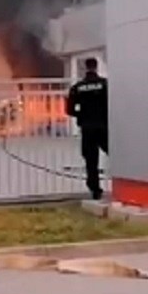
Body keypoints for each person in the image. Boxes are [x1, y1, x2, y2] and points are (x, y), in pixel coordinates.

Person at [66, 57, 108, 200]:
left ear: (85, 68)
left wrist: (81, 114)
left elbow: (69, 110)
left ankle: (95, 189)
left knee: (91, 160)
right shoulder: (104, 84)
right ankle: (127, 180)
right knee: (118, 154)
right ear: (96, 67)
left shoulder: (77, 87)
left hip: (87, 128)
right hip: (103, 127)